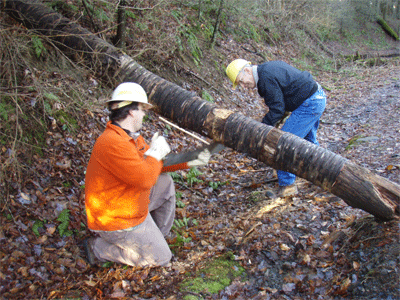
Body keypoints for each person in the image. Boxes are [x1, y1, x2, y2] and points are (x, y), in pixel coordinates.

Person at [83, 82, 210, 267]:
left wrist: (194, 159)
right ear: (132, 111)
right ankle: (98, 248)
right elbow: (145, 179)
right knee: (162, 258)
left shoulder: (131, 138)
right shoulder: (112, 142)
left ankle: (153, 239)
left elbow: (157, 166)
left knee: (164, 182)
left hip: (129, 203)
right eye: (142, 109)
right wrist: (155, 153)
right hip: (116, 220)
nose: (144, 114)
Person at [226, 59, 326, 197]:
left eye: (241, 81)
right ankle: (324, 173)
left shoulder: (265, 78)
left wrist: (260, 129)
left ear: (247, 70)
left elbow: (277, 109)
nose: (244, 86)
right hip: (316, 96)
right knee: (310, 144)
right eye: (240, 84)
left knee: (283, 144)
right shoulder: (266, 70)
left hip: (310, 103)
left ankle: (288, 185)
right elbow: (284, 97)